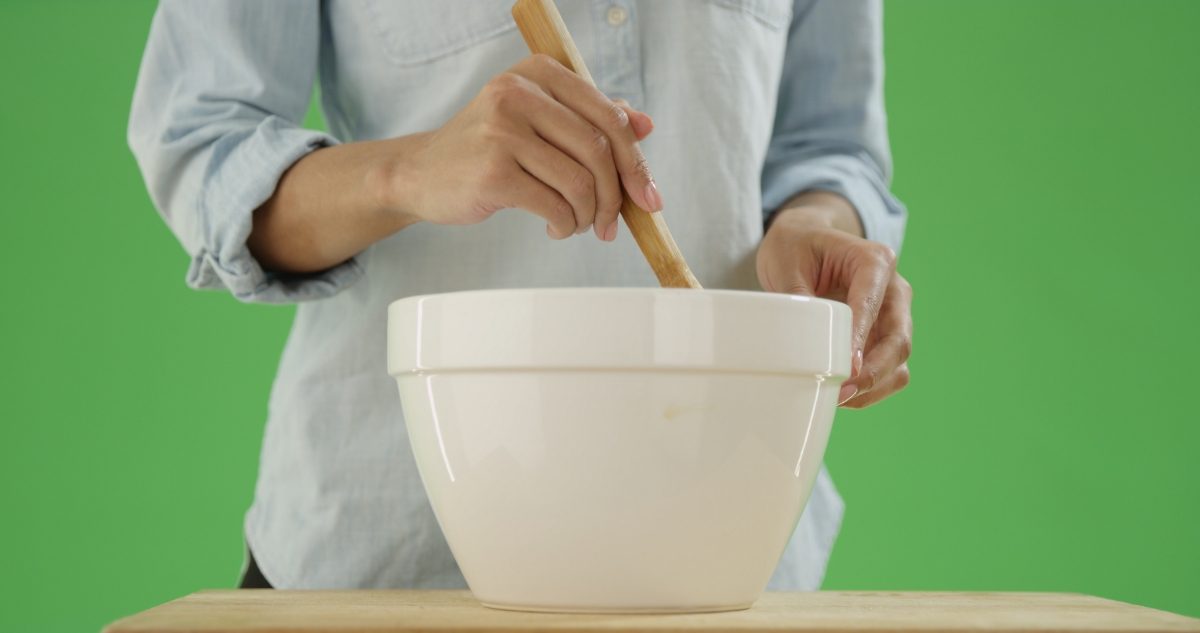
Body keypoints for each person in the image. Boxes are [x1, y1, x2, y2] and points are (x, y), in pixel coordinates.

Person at [129, 0, 912, 591]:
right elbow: (203, 144)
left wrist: (816, 222)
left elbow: (830, 142)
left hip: (728, 554)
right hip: (389, 558)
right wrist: (411, 169)